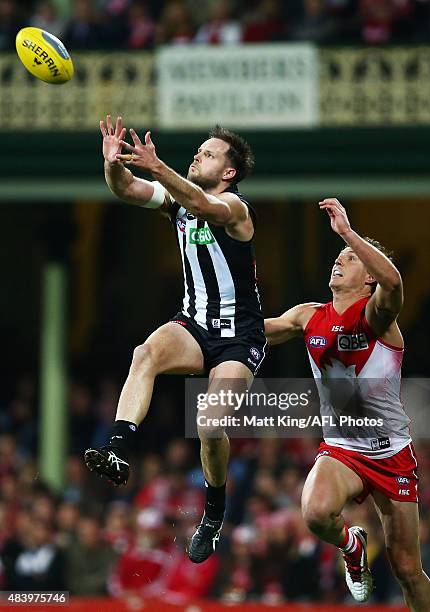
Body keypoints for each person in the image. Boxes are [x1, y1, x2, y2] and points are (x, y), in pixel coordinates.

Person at [84, 116, 266, 564]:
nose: (197, 156)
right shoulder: (179, 203)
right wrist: (112, 164)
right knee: (143, 353)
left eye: (208, 153)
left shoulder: (237, 209)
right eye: (198, 150)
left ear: (229, 172)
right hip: (193, 325)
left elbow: (205, 207)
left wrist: (158, 166)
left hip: (239, 339)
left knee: (208, 424)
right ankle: (117, 449)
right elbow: (127, 189)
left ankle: (214, 513)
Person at [264, 198, 430, 610]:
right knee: (315, 513)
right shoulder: (308, 316)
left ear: (368, 277)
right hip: (343, 449)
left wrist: (347, 233)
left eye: (350, 258)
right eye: (339, 257)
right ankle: (351, 545)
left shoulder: (377, 315)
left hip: (391, 453)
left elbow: (393, 283)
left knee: (407, 570)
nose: (339, 262)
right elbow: (258, 332)